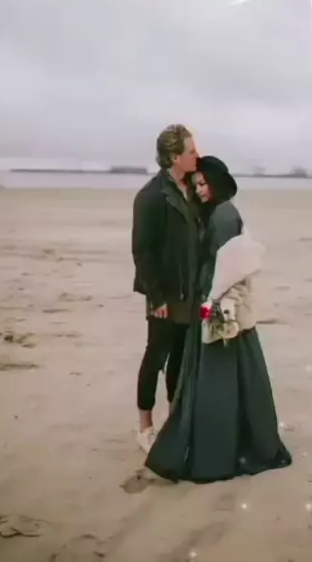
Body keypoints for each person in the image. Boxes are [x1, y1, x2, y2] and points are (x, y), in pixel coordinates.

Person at [145, 155, 292, 482]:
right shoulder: (218, 212)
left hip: (218, 306)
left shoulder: (224, 214)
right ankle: (227, 444)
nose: (199, 190)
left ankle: (217, 452)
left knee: (219, 381)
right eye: (195, 185)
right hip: (213, 302)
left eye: (203, 184)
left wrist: (213, 304)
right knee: (229, 379)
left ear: (217, 182)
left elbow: (230, 270)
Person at [132, 124, 200, 453]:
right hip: (163, 295)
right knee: (156, 357)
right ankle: (145, 428)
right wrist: (156, 296)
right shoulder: (151, 196)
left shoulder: (193, 189)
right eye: (191, 151)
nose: (196, 155)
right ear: (174, 156)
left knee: (181, 360)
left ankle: (174, 421)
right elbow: (141, 251)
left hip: (190, 292)